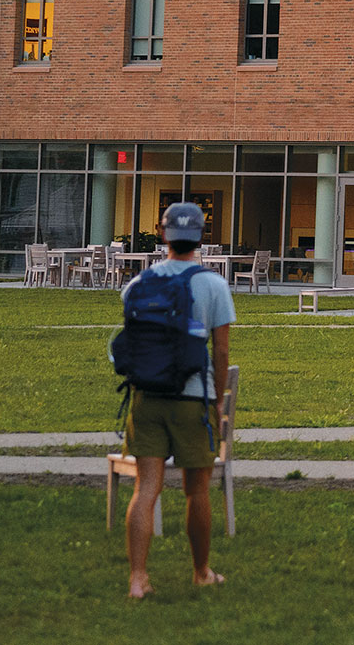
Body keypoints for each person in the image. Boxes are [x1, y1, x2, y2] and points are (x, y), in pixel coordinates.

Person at [118, 201, 235, 600]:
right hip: (192, 399)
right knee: (196, 490)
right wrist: (217, 399)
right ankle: (201, 572)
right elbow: (221, 352)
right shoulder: (213, 285)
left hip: (146, 397)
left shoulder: (138, 283)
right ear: (200, 236)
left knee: (146, 488)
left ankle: (138, 579)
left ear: (162, 233)